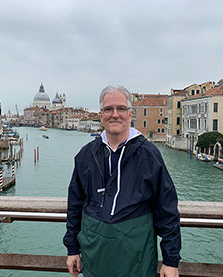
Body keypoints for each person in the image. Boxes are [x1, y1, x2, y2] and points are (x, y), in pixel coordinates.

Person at [63, 86, 181, 277]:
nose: (115, 115)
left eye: (121, 109)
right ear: (101, 115)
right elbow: (75, 206)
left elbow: (167, 209)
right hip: (94, 255)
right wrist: (72, 249)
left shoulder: (150, 156)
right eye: (108, 109)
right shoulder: (85, 156)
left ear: (130, 114)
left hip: (137, 257)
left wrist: (170, 260)